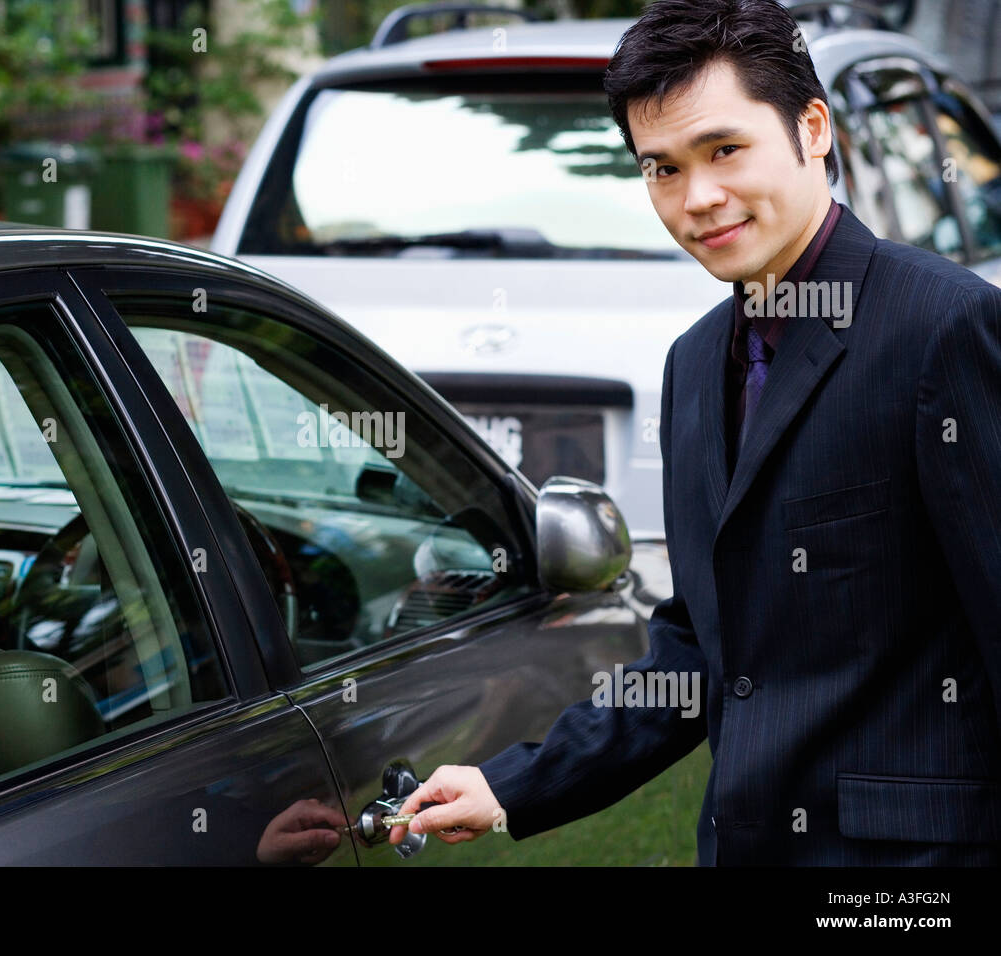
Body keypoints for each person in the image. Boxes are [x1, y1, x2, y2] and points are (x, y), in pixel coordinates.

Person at [391, 0, 1001, 864]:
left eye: (724, 150)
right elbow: (703, 638)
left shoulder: (947, 327)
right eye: (662, 169)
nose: (698, 199)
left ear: (813, 129)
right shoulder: (694, 362)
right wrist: (514, 784)